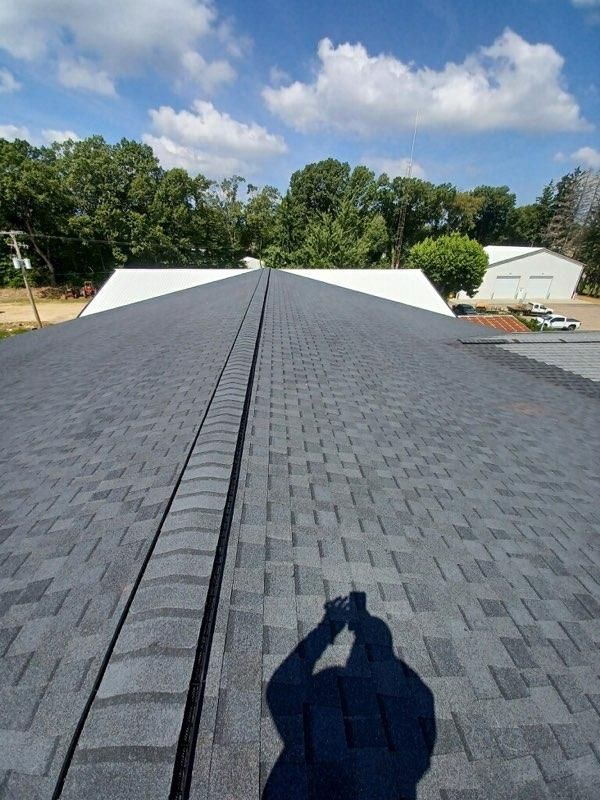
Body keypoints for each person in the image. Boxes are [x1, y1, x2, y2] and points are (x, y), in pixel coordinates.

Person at [264, 592, 436, 799]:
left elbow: (279, 691)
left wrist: (326, 630)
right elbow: (419, 756)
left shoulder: (330, 679)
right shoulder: (419, 692)